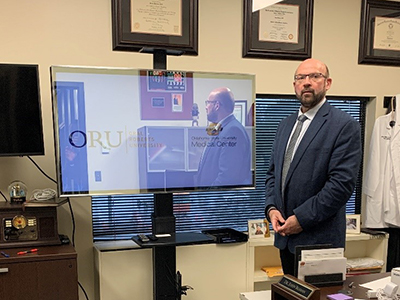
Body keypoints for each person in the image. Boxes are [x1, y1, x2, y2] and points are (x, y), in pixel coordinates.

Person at [265, 58, 362, 276]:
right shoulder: (284, 125)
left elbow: (341, 185)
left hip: (320, 243)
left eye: (314, 76)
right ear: (294, 85)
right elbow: (273, 175)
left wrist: (301, 220)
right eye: (301, 78)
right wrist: (271, 209)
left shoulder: (344, 126)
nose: (307, 82)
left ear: (327, 83)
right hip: (285, 240)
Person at [196, 87, 252, 188]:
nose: (206, 107)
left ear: (217, 105)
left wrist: (206, 196)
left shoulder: (233, 131)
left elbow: (228, 177)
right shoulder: (223, 128)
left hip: (215, 200)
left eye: (208, 102)